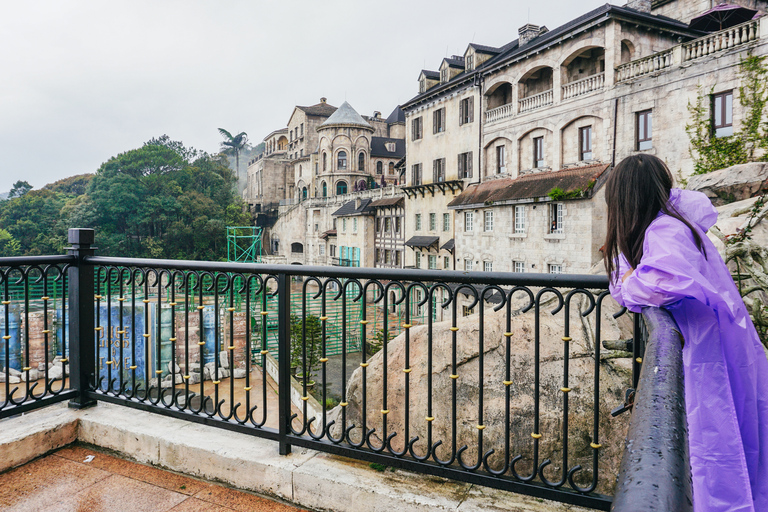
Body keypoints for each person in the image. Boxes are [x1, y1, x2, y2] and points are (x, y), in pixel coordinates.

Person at [604, 154, 768, 512]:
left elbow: (654, 285)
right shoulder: (674, 223)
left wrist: (627, 280)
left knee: (716, 435)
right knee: (734, 431)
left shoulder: (666, 230)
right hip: (720, 337)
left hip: (708, 345)